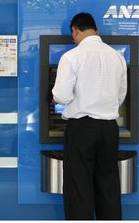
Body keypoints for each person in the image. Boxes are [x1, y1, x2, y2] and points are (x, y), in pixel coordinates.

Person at [52, 13, 126, 220]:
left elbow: (62, 96)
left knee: (79, 188)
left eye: (72, 34)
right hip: (109, 129)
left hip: (82, 129)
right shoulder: (117, 57)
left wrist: (56, 100)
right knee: (108, 186)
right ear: (97, 30)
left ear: (75, 30)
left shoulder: (72, 57)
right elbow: (121, 94)